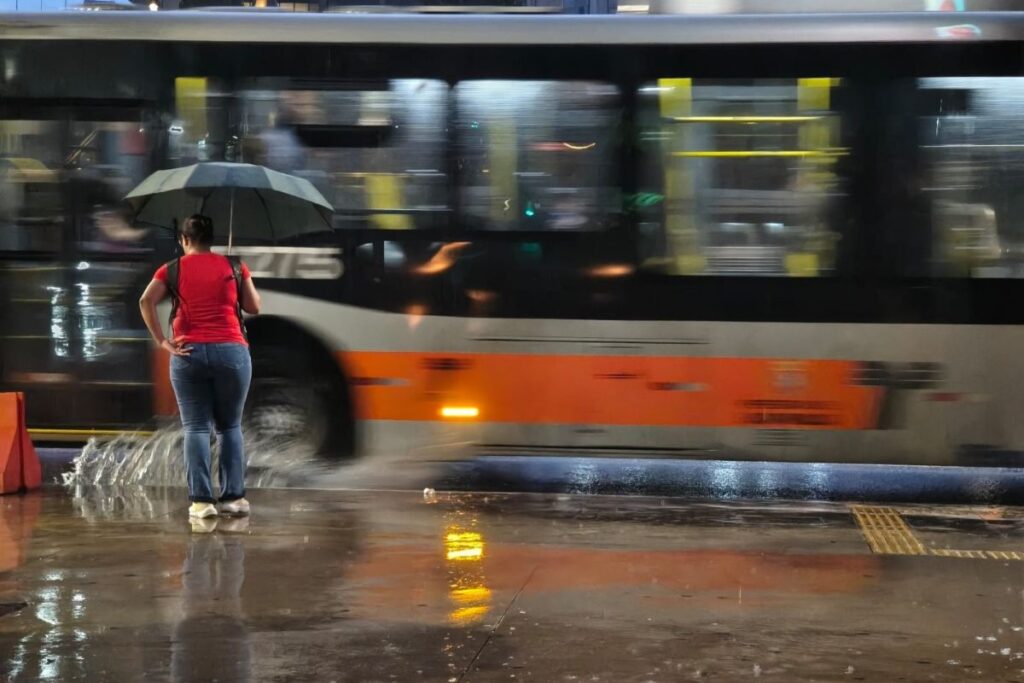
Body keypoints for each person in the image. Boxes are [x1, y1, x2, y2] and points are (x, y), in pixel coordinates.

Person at [138, 215, 262, 520]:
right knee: (230, 426)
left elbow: (145, 301)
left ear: (184, 240)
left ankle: (202, 503)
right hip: (231, 352)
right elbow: (253, 307)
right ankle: (233, 498)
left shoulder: (171, 269)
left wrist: (162, 342)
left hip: (187, 353)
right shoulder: (234, 266)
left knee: (195, 427)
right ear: (211, 239)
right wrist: (237, 275)